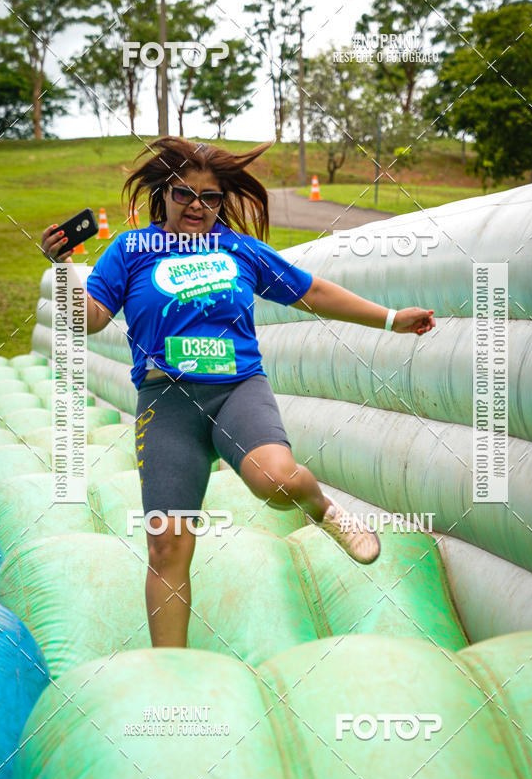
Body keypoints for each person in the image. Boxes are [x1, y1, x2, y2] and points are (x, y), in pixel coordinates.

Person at [41, 137, 435, 648]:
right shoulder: (131, 250)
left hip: (236, 390)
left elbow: (310, 291)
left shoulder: (238, 248)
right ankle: (171, 670)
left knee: (276, 481)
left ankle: (323, 508)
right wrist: (63, 268)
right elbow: (90, 320)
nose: (198, 207)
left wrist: (389, 320)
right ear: (163, 195)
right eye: (185, 194)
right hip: (166, 404)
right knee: (166, 545)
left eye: (211, 197)